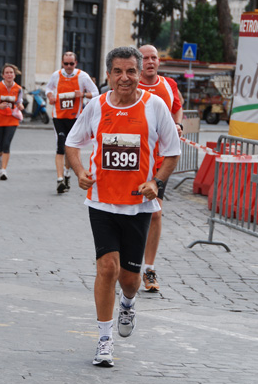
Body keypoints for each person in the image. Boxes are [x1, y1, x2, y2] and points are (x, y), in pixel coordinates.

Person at [65, 46, 180, 367]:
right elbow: (73, 143)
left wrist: (156, 182)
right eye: (118, 71)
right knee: (107, 268)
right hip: (101, 202)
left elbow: (173, 152)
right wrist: (80, 172)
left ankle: (128, 304)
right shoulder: (96, 106)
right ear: (108, 75)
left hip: (138, 206)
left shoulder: (155, 106)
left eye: (131, 71)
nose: (125, 77)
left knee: (129, 279)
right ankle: (104, 339)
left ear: (139, 73)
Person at [138, 44, 184, 293]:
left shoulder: (168, 85)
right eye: (145, 58)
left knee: (155, 213)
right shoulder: (130, 83)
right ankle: (125, 264)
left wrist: (178, 126)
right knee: (129, 214)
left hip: (159, 162)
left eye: (154, 57)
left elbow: (177, 107)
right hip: (134, 159)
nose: (150, 61)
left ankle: (149, 269)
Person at [45, 51, 99, 194]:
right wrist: (50, 96)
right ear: (62, 63)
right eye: (66, 63)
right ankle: (59, 179)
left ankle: (68, 173)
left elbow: (96, 92)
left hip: (76, 118)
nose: (68, 66)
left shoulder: (82, 76)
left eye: (71, 63)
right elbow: (48, 88)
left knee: (72, 147)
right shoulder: (56, 75)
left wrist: (83, 94)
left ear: (76, 63)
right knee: (60, 146)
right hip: (59, 116)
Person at [0, 63, 24, 180]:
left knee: (7, 144)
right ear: (3, 75)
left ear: (14, 75)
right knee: (0, 146)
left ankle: (3, 170)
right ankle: (0, 156)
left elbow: (19, 101)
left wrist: (20, 105)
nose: (9, 75)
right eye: (7, 73)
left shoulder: (18, 89)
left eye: (11, 72)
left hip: (12, 119)